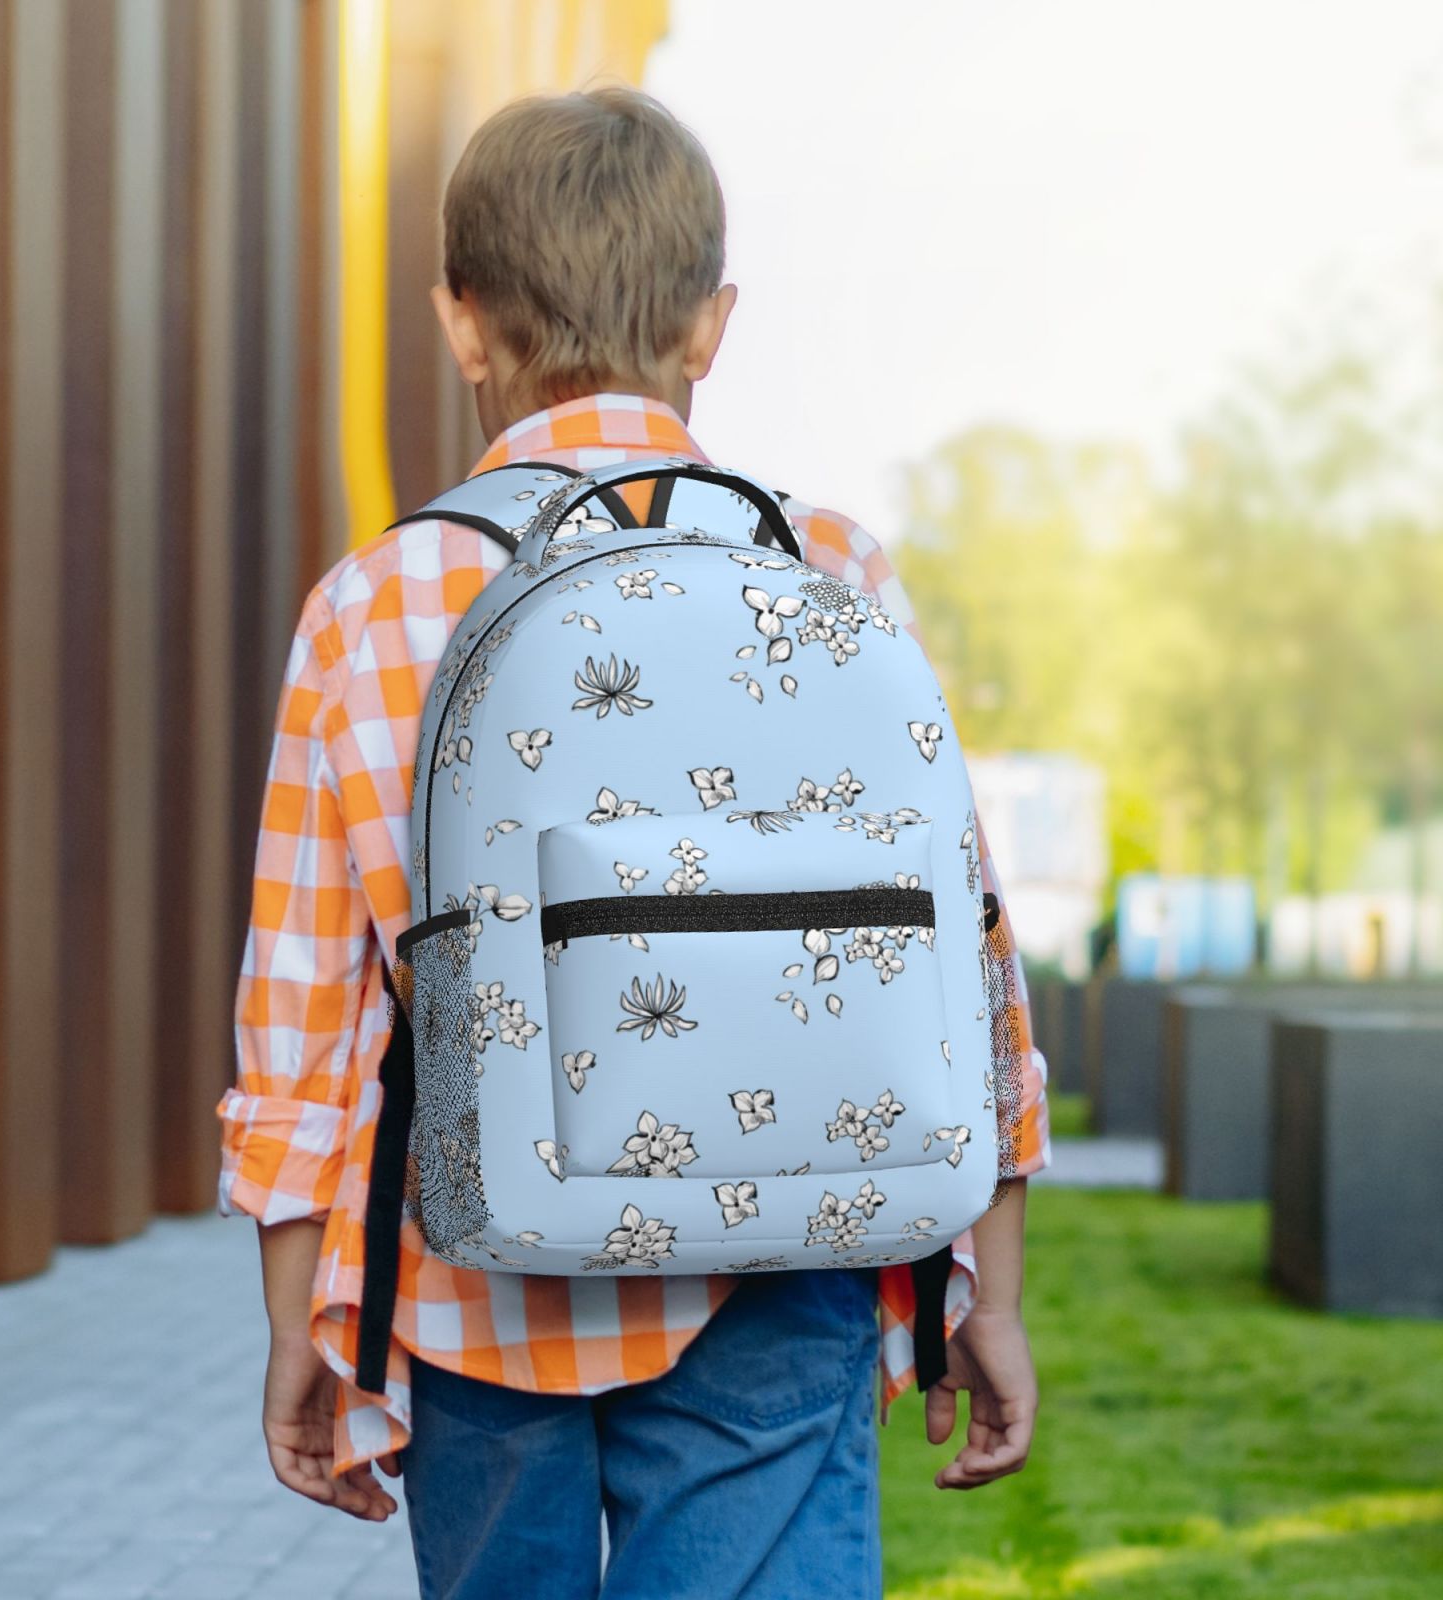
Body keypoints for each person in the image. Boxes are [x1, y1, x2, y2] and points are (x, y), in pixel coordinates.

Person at [217, 84, 1052, 1600]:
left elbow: (305, 1026)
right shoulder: (828, 567)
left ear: (461, 323)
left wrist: (305, 1325)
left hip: (476, 1273)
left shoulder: (373, 606)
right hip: (786, 1248)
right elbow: (956, 955)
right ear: (711, 325)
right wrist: (983, 1282)